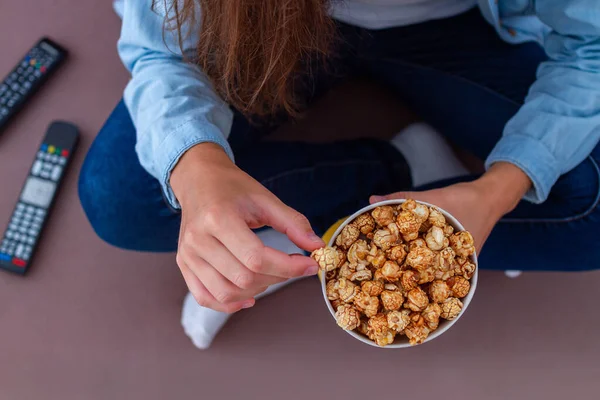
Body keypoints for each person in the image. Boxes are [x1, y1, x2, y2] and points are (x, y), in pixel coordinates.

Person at [79, 0, 600, 348]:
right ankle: (396, 179)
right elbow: (161, 51)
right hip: (276, 22)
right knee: (120, 199)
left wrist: (498, 189)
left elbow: (592, 47)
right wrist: (197, 172)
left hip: (457, 27)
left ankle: (317, 245)